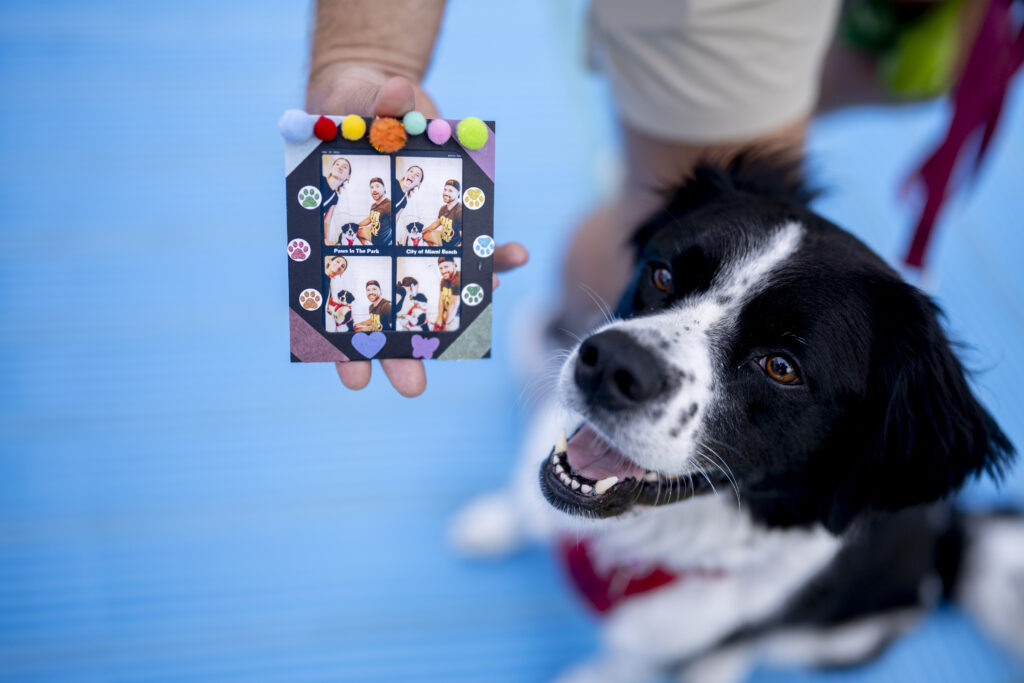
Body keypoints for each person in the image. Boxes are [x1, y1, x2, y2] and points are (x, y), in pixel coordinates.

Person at [423, 179, 462, 248]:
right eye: (445, 189)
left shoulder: (459, 211)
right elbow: (436, 224)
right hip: (443, 237)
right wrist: (421, 232)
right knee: (425, 235)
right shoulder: (443, 208)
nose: (446, 193)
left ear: (458, 193)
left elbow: (464, 238)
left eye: (450, 191)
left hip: (453, 243)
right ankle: (438, 251)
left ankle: (444, 254)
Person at [322, 156, 352, 245]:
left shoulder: (335, 198)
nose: (340, 167)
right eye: (337, 164)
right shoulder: (319, 179)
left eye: (344, 167)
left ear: (348, 176)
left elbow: (326, 221)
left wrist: (325, 240)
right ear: (331, 169)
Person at [394, 165, 425, 246]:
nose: (412, 175)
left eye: (417, 175)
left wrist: (394, 240)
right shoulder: (393, 183)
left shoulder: (404, 201)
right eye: (411, 171)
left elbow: (394, 222)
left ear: (419, 184)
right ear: (406, 173)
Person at [356, 177, 393, 246]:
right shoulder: (373, 206)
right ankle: (369, 250)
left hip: (383, 243)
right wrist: (355, 225)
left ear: (384, 188)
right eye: (372, 187)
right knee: (357, 231)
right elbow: (370, 219)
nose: (374, 190)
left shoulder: (389, 205)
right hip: (374, 236)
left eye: (377, 186)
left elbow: (394, 224)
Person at [433, 256, 460, 332]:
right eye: (441, 268)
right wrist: (439, 317)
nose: (443, 271)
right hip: (447, 312)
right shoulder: (443, 280)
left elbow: (453, 305)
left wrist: (445, 323)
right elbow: (441, 300)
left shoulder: (458, 279)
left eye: (446, 267)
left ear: (453, 264)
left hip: (455, 316)